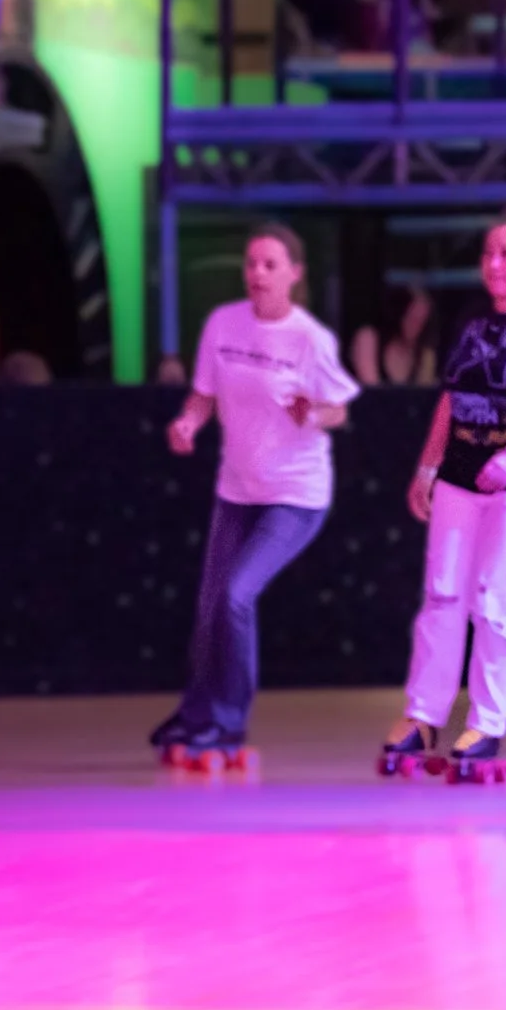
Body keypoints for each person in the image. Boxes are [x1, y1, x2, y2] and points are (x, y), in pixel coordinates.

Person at [151, 222, 360, 768]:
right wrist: (188, 424)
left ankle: (227, 725)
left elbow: (338, 407)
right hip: (236, 490)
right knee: (208, 608)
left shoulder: (309, 338)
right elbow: (203, 394)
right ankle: (197, 716)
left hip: (295, 496)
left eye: (270, 265)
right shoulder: (223, 324)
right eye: (251, 264)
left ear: (294, 274)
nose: (257, 275)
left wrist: (312, 412)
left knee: (236, 595)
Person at [379, 221, 506, 782]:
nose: (493, 264)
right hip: (461, 480)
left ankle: (487, 722)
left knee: (495, 604)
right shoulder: (469, 318)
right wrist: (427, 466)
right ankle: (424, 715)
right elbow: (451, 399)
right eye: (487, 253)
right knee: (442, 596)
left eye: (504, 253)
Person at [347, 282, 438, 388]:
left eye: (423, 321)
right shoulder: (369, 338)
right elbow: (373, 393)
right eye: (413, 319)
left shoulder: (424, 353)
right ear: (398, 314)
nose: (417, 327)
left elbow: (425, 397)